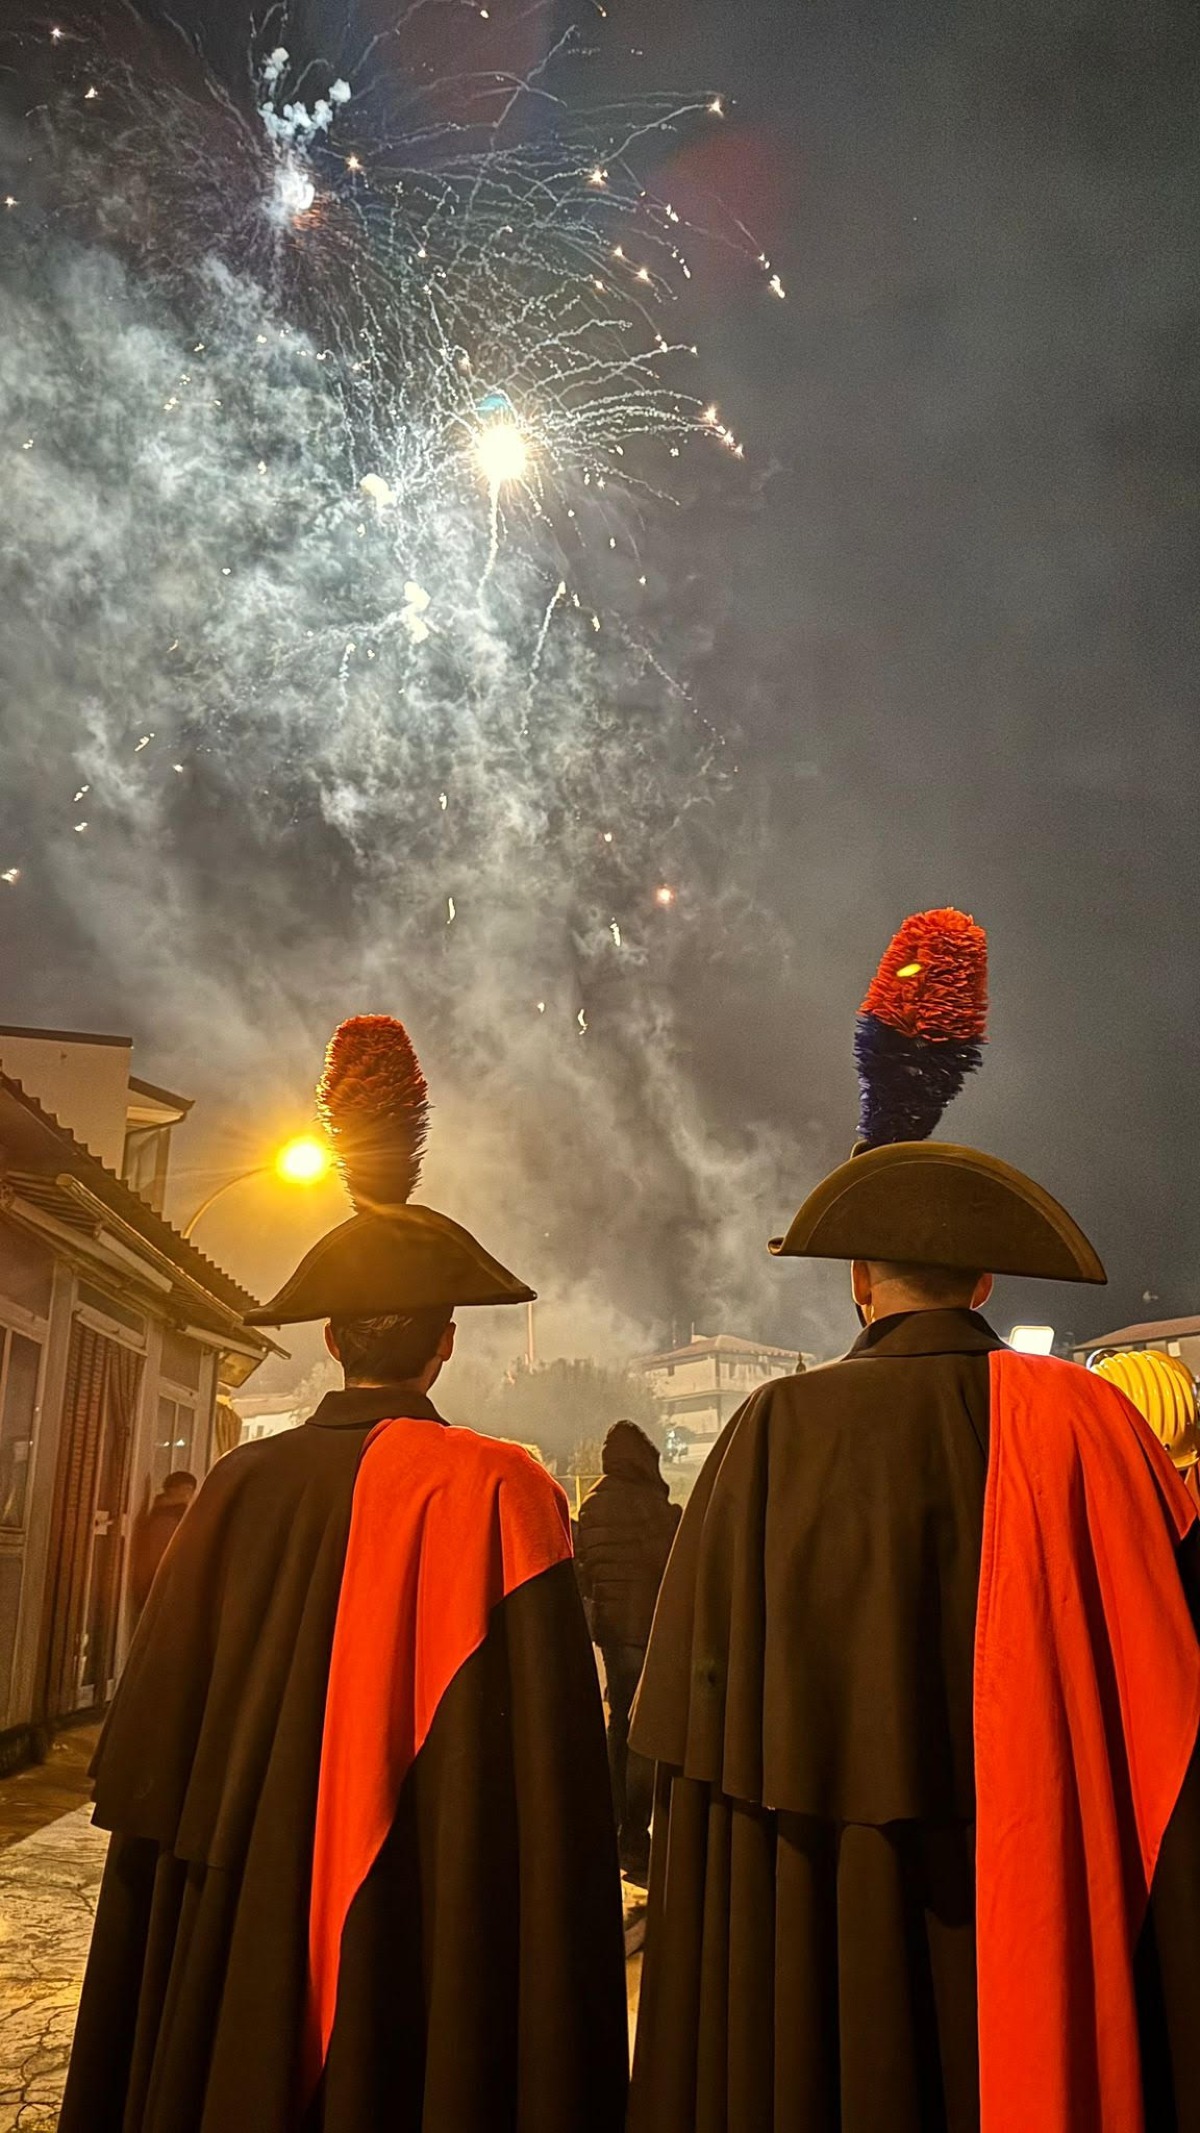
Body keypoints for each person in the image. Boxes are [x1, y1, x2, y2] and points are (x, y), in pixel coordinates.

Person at [628, 910, 1200, 2133]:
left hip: (822, 1903)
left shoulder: (773, 1431)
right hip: (1043, 1891)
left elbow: (694, 1725)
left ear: (854, 1277)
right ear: (988, 1280)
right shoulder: (1092, 1424)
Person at [61, 1015, 628, 2133]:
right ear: (447, 1344)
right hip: (434, 1903)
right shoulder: (505, 1488)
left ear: (329, 1343)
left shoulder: (238, 1484)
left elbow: (159, 1734)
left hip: (244, 1888)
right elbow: (550, 1778)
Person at [576, 1420, 681, 1883]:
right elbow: (672, 1561)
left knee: (620, 1725)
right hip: (649, 1631)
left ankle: (620, 1831)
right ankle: (638, 1838)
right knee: (645, 1735)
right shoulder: (649, 1506)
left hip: (614, 1636)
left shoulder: (594, 1503)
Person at [128, 1469, 196, 1615]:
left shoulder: (165, 1512)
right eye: (186, 1490)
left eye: (191, 1491)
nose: (189, 1496)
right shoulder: (170, 1517)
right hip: (159, 1582)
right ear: (172, 1489)